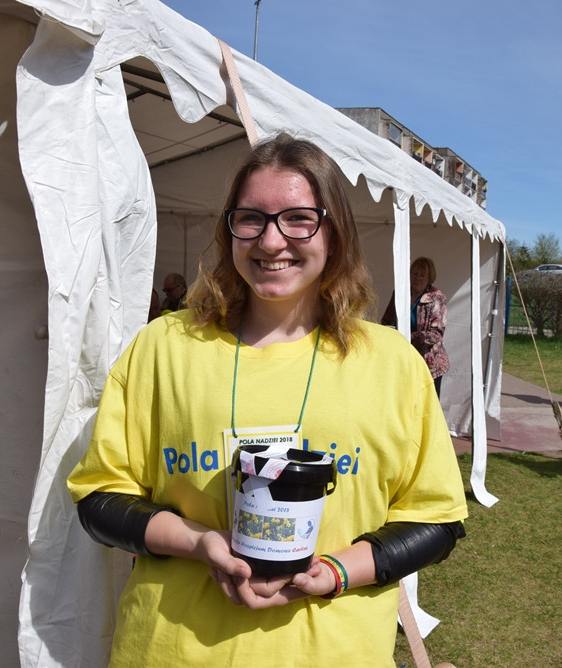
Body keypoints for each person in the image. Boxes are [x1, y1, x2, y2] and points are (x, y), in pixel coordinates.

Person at [67, 134, 467, 666]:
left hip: (333, 653)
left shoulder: (392, 363)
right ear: (229, 229)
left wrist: (333, 572)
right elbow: (98, 500)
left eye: (299, 218)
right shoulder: (164, 347)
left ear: (335, 233)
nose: (272, 241)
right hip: (172, 649)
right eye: (250, 218)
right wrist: (199, 542)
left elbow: (436, 522)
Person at [381, 256, 450, 397]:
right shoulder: (400, 292)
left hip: (430, 364)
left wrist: (408, 336)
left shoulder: (436, 297)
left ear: (429, 278)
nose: (417, 278)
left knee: (428, 404)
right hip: (403, 359)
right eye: (414, 274)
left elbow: (436, 334)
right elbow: (386, 321)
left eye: (422, 276)